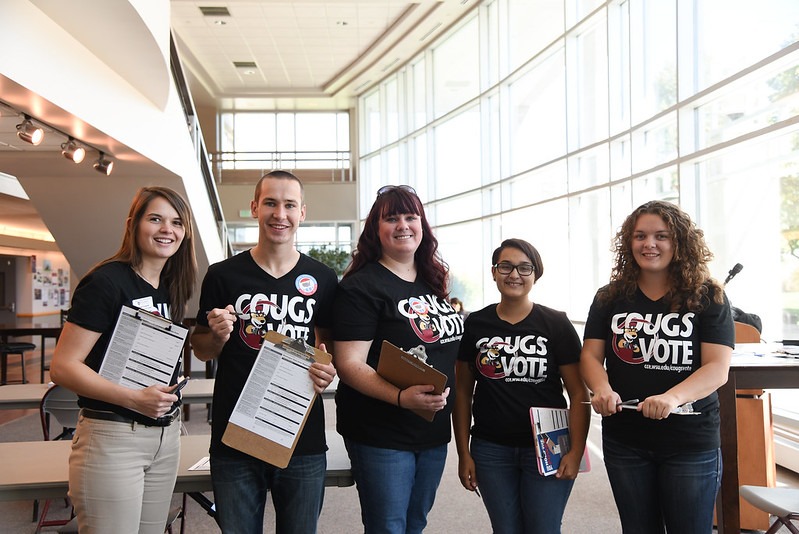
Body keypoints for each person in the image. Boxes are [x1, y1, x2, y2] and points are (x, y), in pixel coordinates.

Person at [191, 170, 338, 534]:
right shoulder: (223, 275)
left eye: (289, 205)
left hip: (299, 436)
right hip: (235, 434)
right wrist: (218, 337)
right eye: (271, 203)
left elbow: (329, 349)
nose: (280, 214)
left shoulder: (323, 278)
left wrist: (328, 370)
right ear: (255, 207)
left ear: (302, 212)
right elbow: (200, 350)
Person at [579, 200, 734, 534]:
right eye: (640, 236)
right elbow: (591, 356)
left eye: (661, 236)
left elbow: (717, 368)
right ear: (628, 242)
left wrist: (672, 398)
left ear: (679, 243)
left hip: (690, 442)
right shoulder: (609, 298)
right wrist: (602, 389)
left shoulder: (709, 297)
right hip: (626, 439)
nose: (649, 244)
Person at [50, 186, 198, 533]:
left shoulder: (170, 287)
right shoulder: (107, 281)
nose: (167, 229)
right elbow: (63, 366)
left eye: (177, 222)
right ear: (133, 224)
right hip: (113, 436)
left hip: (164, 438)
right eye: (156, 219)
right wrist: (134, 399)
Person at [333, 184, 464, 534]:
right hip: (381, 430)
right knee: (388, 527)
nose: (403, 224)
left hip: (432, 428)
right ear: (377, 229)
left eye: (411, 216)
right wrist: (400, 397)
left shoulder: (433, 281)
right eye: (392, 218)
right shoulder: (361, 287)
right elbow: (348, 364)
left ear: (423, 225)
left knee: (415, 523)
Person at [453, 238, 589, 534]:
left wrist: (576, 451)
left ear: (535, 275)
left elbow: (579, 393)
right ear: (493, 272)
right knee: (506, 530)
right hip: (491, 449)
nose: (514, 274)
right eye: (506, 266)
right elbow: (462, 392)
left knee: (544, 528)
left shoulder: (556, 323)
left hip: (548, 445)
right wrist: (464, 453)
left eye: (524, 268)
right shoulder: (476, 323)